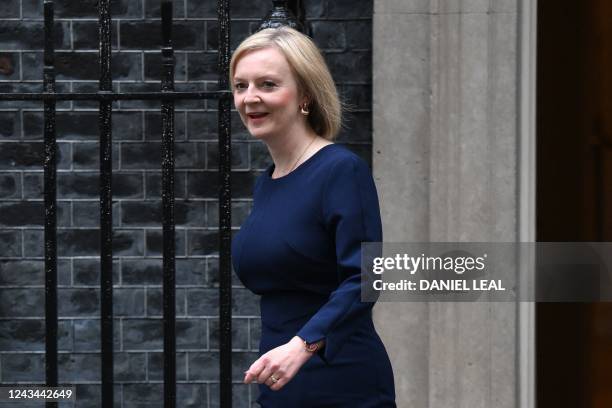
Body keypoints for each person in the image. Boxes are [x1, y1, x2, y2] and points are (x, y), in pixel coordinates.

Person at [230, 26, 396, 407]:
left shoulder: (340, 170)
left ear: (305, 95)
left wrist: (304, 344)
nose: (250, 98)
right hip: (280, 382)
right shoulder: (267, 183)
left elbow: (366, 276)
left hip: (340, 379)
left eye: (268, 84)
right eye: (241, 86)